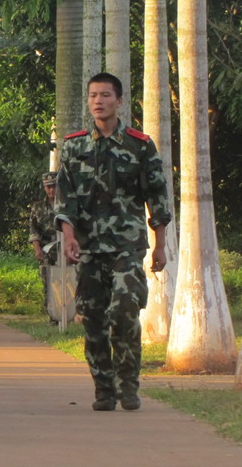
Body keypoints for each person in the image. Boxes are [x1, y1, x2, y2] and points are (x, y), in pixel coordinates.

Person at [55, 72, 170, 412]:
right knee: (92, 317)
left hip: (127, 246)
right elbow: (65, 198)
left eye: (105, 95)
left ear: (119, 101)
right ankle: (104, 390)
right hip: (89, 248)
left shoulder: (140, 144)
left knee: (123, 311)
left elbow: (157, 197)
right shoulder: (74, 145)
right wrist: (69, 237)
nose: (98, 101)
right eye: (93, 95)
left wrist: (160, 244)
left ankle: (128, 385)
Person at [29, 171, 59, 315]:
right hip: (47, 250)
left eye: (54, 186)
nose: (51, 190)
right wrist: (37, 249)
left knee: (70, 281)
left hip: (65, 249)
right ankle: (52, 314)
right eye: (48, 187)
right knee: (48, 283)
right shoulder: (38, 207)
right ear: (44, 188)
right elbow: (33, 231)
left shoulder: (67, 205)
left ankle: (69, 314)